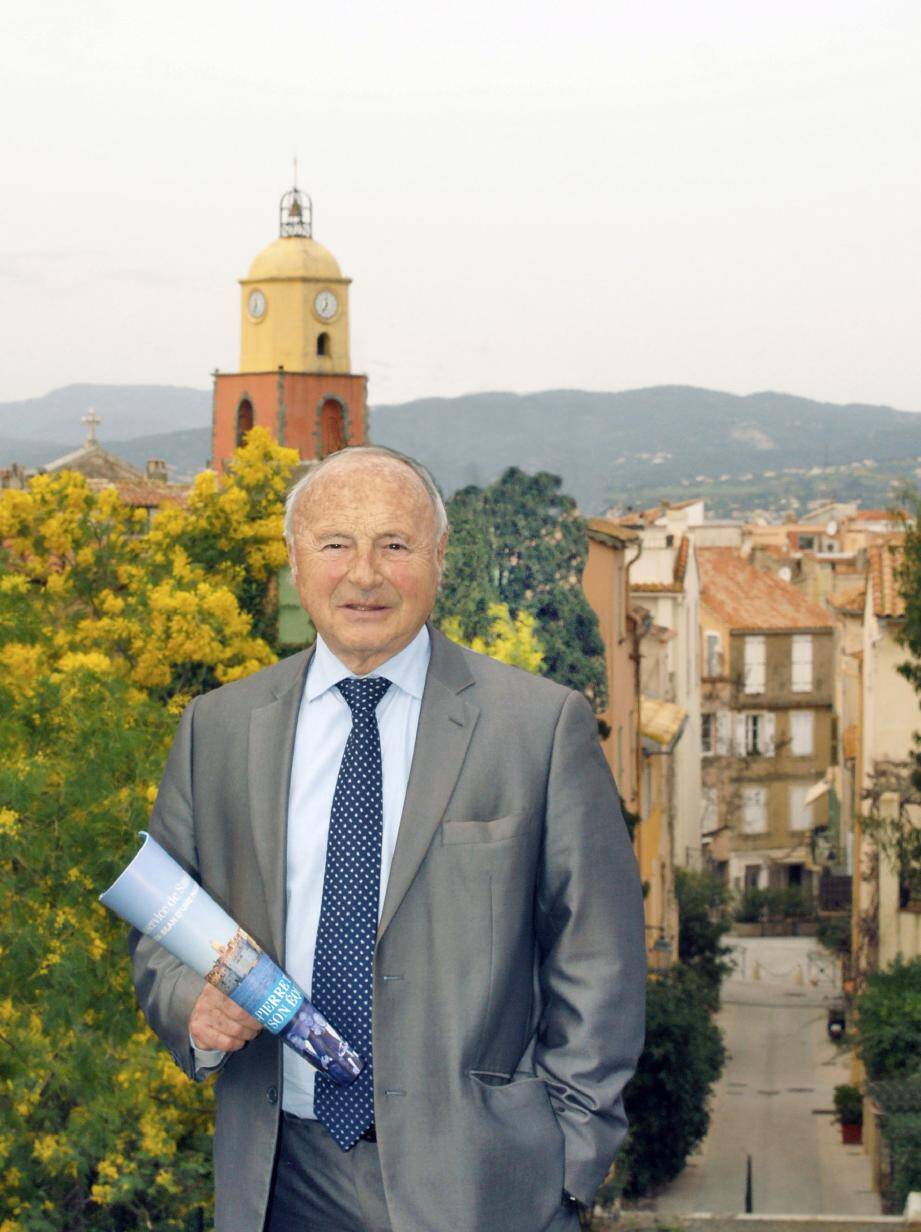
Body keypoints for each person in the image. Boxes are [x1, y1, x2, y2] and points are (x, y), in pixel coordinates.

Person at [129, 445, 646, 1232]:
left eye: (394, 545)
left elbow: (598, 959)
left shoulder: (536, 728)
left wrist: (566, 1167)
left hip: (481, 1186)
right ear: (296, 562)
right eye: (335, 543)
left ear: (438, 560)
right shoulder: (218, 729)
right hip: (276, 1179)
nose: (363, 575)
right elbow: (162, 927)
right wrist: (187, 1004)